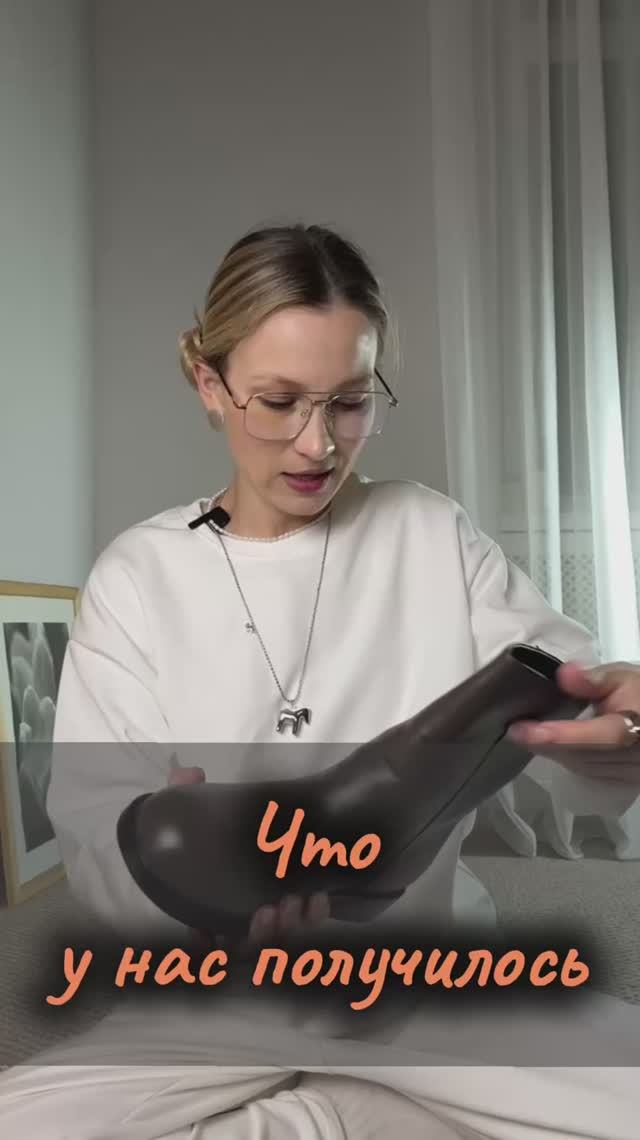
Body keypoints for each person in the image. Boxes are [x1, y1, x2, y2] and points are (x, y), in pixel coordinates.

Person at [1, 222, 640, 1138]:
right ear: (210, 384)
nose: (317, 445)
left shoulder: (430, 533)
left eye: (349, 402)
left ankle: (332, 1115)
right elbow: (99, 832)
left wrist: (620, 724)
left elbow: (569, 710)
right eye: (279, 402)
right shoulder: (140, 574)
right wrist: (193, 881)